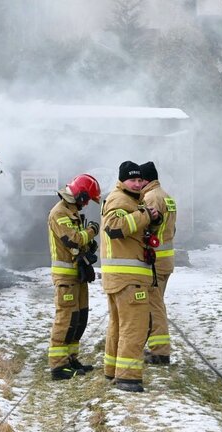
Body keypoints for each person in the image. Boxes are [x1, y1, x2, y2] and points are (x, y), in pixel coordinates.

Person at [100, 161, 161, 392]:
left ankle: (112, 371)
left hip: (121, 278)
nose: (137, 184)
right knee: (134, 327)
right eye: (132, 180)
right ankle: (128, 378)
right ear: (122, 180)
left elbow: (136, 232)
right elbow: (114, 228)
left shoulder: (133, 201)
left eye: (139, 180)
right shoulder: (120, 200)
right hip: (128, 279)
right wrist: (144, 214)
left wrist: (153, 219)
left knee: (118, 326)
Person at [47, 174, 101, 380]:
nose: (86, 204)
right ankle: (58, 366)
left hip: (77, 275)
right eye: (86, 200)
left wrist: (89, 248)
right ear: (80, 195)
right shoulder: (59, 213)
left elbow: (81, 244)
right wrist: (91, 231)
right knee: (66, 320)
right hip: (66, 277)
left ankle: (71, 359)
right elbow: (73, 240)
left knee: (79, 319)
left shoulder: (72, 212)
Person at [140, 161, 177, 365]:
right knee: (156, 304)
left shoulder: (151, 198)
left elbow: (147, 227)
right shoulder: (166, 196)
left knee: (154, 306)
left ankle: (160, 353)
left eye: (139, 180)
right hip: (165, 260)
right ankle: (156, 348)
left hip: (155, 260)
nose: (137, 184)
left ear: (146, 179)